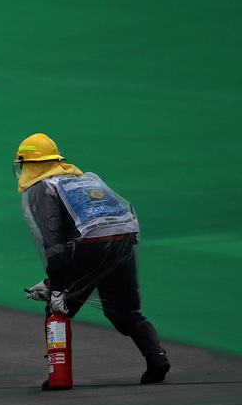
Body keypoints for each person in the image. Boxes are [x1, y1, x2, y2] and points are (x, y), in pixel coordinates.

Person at [15, 133, 170, 386]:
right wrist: (53, 282)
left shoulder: (42, 188)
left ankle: (59, 376)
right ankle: (156, 356)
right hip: (123, 239)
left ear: (27, 165)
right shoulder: (83, 179)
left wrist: (56, 286)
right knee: (126, 313)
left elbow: (53, 242)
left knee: (58, 309)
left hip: (90, 244)